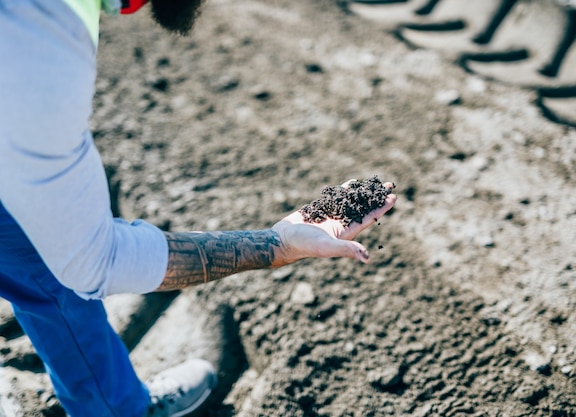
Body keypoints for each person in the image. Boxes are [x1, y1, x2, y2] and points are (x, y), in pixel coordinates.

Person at [0, 0, 397, 416]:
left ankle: (113, 407)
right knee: (58, 262)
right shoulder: (41, 48)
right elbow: (98, 261)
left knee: (36, 256)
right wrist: (277, 245)